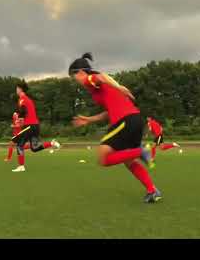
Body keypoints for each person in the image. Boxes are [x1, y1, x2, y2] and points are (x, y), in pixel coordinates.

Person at [69, 53, 161, 204]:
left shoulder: (89, 80)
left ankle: (142, 151)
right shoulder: (100, 89)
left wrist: (119, 87)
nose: (76, 81)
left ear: (80, 72)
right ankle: (152, 190)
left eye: (74, 77)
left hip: (125, 120)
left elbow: (101, 76)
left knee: (103, 158)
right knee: (129, 162)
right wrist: (89, 120)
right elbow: (107, 112)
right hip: (135, 120)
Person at [11, 82, 61, 172]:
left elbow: (23, 111)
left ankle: (21, 166)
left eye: (16, 88)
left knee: (19, 144)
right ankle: (52, 143)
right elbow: (28, 112)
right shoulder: (29, 100)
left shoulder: (22, 99)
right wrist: (20, 120)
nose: (16, 90)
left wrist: (18, 119)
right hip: (35, 126)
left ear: (20, 89)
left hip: (29, 126)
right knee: (35, 148)